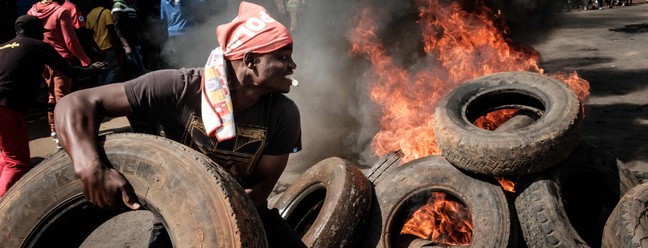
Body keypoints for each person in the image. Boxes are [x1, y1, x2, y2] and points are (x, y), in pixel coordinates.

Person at [55, 2, 305, 247]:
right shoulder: (180, 87)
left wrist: (216, 225)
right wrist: (90, 168)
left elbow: (261, 188)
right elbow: (76, 103)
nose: (292, 66)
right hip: (177, 215)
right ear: (250, 61)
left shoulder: (284, 114)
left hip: (247, 210)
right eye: (283, 58)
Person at [0, 15, 104, 197]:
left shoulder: (2, 47)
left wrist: (43, 106)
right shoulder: (37, 46)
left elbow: (10, 81)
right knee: (17, 163)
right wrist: (91, 69)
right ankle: (4, 205)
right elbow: (69, 71)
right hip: (5, 109)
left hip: (6, 106)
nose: (43, 34)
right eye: (41, 31)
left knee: (5, 157)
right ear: (34, 31)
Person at [28, 0, 94, 149]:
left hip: (43, 60)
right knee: (62, 98)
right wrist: (85, 60)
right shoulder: (61, 11)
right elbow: (70, 40)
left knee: (52, 96)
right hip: (61, 60)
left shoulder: (32, 11)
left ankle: (55, 133)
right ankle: (66, 135)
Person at [87, 0, 121, 85]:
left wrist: (96, 49)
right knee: (114, 69)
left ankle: (99, 91)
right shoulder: (106, 12)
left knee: (101, 71)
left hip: (96, 50)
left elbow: (88, 35)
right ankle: (105, 88)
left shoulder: (89, 15)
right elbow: (111, 30)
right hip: (107, 47)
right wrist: (117, 46)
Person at [111, 0, 146, 78]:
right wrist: (126, 45)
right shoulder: (118, 6)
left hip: (136, 43)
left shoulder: (130, 6)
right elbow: (118, 28)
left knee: (140, 69)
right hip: (129, 44)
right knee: (136, 70)